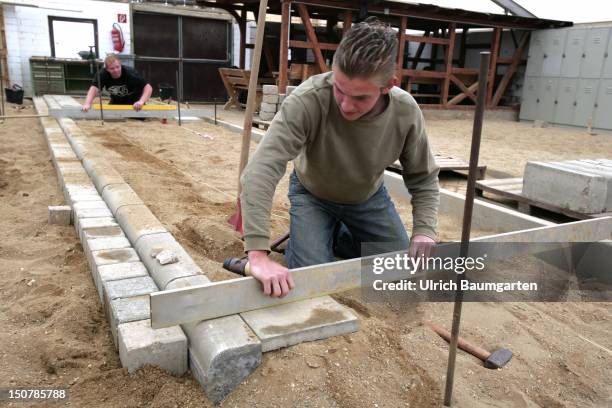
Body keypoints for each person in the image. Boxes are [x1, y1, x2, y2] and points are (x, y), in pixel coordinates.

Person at [240, 18, 440, 298]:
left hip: (367, 198)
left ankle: (335, 234)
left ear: (388, 86)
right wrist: (258, 254)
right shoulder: (307, 99)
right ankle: (314, 233)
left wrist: (425, 232)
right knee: (311, 280)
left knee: (399, 270)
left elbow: (424, 178)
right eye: (339, 90)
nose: (345, 105)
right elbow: (261, 170)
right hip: (312, 194)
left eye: (359, 97)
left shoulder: (406, 112)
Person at [81, 54, 152, 112]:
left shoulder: (130, 73)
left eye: (117, 67)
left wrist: (141, 101)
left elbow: (148, 87)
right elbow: (94, 88)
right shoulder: (102, 74)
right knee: (109, 116)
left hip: (134, 103)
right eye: (112, 68)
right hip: (116, 101)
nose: (116, 70)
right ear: (107, 69)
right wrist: (87, 103)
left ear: (121, 65)